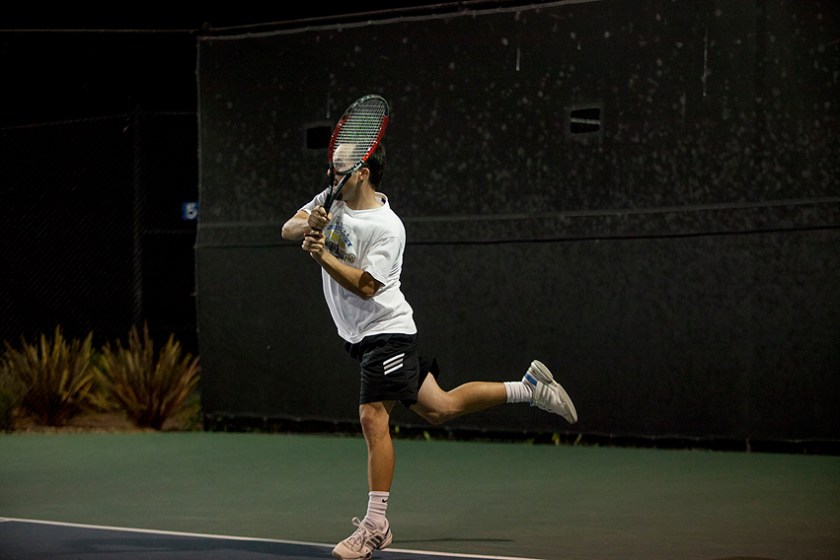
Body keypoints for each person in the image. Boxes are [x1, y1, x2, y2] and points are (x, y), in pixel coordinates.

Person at [281, 143, 577, 560]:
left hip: (388, 333)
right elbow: (287, 229)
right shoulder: (329, 198)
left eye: (341, 169)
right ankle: (529, 389)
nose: (332, 174)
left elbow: (366, 286)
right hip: (361, 337)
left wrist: (323, 254)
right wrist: (309, 222)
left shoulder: (388, 226)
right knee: (441, 408)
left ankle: (375, 525)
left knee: (372, 416)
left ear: (363, 173)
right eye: (332, 168)